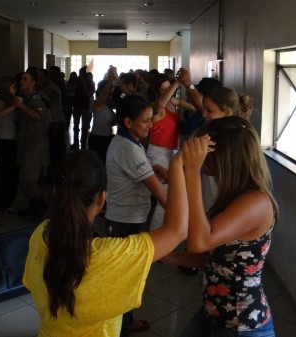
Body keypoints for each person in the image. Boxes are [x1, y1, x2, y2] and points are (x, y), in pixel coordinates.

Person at [23, 141, 204, 337]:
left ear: (55, 192)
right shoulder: (109, 256)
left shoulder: (40, 234)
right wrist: (178, 166)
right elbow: (177, 231)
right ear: (102, 199)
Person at [164, 116, 279, 337]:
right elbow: (218, 259)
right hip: (216, 314)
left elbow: (199, 242)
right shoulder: (233, 198)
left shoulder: (256, 202)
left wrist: (191, 171)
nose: (203, 157)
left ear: (224, 156)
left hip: (241, 325)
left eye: (207, 151)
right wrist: (173, 258)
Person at [104, 93, 168, 335]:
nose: (151, 125)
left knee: (126, 275)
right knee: (124, 278)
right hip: (124, 221)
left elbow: (137, 171)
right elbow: (160, 195)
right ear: (128, 122)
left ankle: (126, 322)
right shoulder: (128, 148)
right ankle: (120, 328)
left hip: (128, 217)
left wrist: (152, 168)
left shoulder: (128, 141)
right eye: (145, 121)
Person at [146, 73, 195, 229]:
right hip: (158, 153)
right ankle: (156, 234)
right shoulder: (155, 106)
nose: (169, 91)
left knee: (171, 194)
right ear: (157, 92)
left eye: (169, 88)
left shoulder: (172, 104)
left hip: (172, 151)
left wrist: (193, 107)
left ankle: (166, 229)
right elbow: (161, 105)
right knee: (165, 196)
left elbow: (184, 104)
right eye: (164, 89)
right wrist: (177, 83)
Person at [15, 70, 50, 222]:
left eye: (25, 79)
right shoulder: (26, 98)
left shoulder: (36, 100)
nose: (22, 81)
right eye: (22, 79)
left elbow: (38, 116)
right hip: (26, 143)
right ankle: (34, 205)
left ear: (33, 83)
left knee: (29, 178)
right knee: (24, 176)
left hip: (36, 145)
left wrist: (21, 106)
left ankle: (41, 207)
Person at [0, 76, 21, 225]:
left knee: (12, 176)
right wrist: (15, 106)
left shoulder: (10, 101)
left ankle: (6, 204)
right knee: (5, 176)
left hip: (11, 142)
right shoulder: (1, 102)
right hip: (3, 143)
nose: (15, 89)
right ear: (7, 88)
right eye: (13, 87)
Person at [88, 67, 117, 163]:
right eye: (110, 88)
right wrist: (110, 79)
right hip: (97, 139)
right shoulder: (97, 103)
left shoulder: (108, 104)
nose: (111, 90)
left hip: (107, 138)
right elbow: (105, 93)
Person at [72, 66, 95, 149]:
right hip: (79, 106)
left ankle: (82, 144)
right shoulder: (79, 81)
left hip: (83, 106)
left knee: (83, 127)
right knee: (77, 126)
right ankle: (78, 143)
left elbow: (89, 93)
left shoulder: (89, 82)